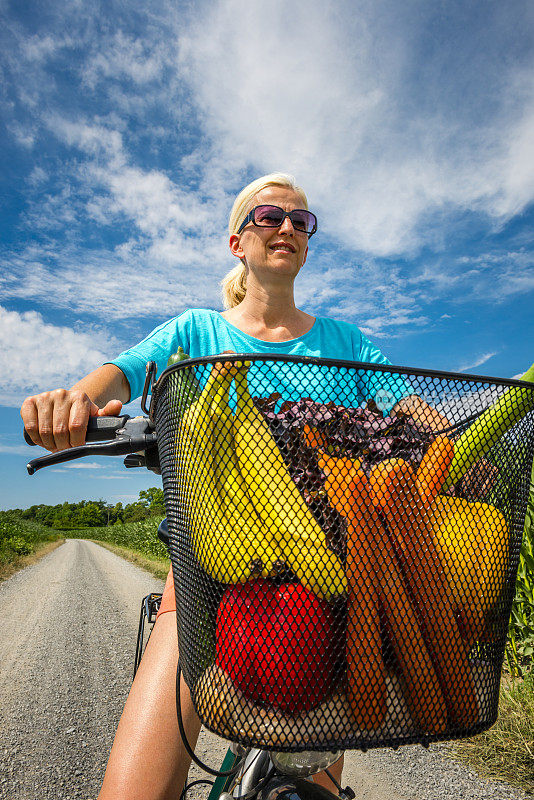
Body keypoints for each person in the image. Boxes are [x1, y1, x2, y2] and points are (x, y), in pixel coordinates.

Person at [21, 173, 448, 800]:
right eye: (270, 215)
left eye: (301, 222)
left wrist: (446, 434)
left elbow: (412, 409)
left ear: (307, 243)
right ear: (236, 243)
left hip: (332, 571)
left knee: (315, 788)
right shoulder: (194, 334)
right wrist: (76, 401)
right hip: (210, 562)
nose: (287, 228)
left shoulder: (346, 343)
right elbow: (121, 375)